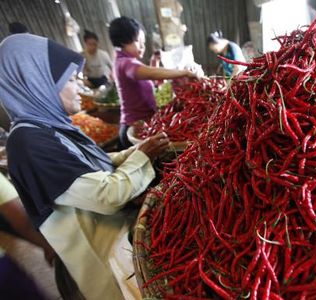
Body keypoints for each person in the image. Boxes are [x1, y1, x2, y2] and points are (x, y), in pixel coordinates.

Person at [0, 34, 173, 299]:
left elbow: (93, 163)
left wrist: (135, 151)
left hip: (120, 241)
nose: (79, 88)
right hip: (105, 258)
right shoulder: (28, 143)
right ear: (38, 83)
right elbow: (106, 196)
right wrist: (142, 157)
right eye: (70, 81)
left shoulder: (49, 126)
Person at [109, 17, 197, 148]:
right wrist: (183, 72)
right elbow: (151, 73)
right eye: (138, 42)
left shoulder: (127, 61)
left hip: (145, 125)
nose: (142, 47)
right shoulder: (125, 63)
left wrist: (154, 63)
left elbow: (148, 79)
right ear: (123, 41)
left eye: (143, 43)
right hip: (133, 130)